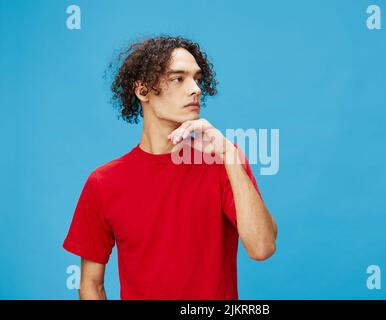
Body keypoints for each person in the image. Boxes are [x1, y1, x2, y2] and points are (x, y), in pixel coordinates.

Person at [63, 35, 278, 300]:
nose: (196, 89)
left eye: (197, 79)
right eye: (179, 78)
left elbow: (262, 247)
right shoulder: (103, 183)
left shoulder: (224, 162)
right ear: (142, 91)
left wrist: (229, 155)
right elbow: (91, 286)